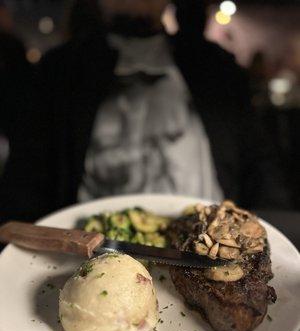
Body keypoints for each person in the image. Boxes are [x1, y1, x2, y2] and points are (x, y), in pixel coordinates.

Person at [0, 0, 290, 225]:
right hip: (94, 244)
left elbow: (261, 165)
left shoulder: (214, 67)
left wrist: (270, 234)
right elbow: (26, 179)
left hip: (206, 239)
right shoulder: (60, 71)